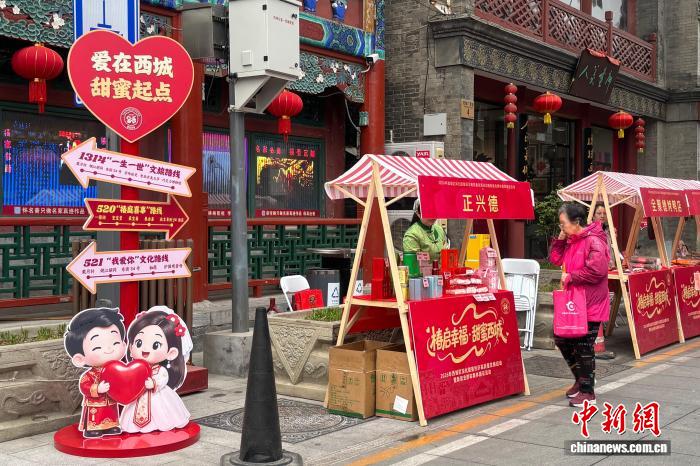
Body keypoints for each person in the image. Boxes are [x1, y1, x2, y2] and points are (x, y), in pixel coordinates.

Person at [549, 203, 610, 407]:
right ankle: (581, 379)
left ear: (576, 222)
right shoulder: (571, 240)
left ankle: (588, 392)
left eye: (563, 224)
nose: (562, 228)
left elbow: (597, 271)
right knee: (562, 339)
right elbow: (555, 259)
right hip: (575, 303)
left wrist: (571, 277)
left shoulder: (594, 240)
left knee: (584, 346)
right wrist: (560, 239)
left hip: (591, 302)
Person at [120, 306, 192, 433]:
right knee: (131, 411)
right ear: (131, 348)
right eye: (139, 343)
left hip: (157, 394)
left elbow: (162, 378)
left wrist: (153, 383)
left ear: (171, 353)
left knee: (161, 410)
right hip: (137, 395)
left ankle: (159, 424)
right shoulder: (134, 368)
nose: (145, 349)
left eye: (155, 345)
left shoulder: (160, 370)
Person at [64, 307, 127, 438]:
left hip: (111, 400)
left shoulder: (118, 369)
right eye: (98, 347)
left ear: (124, 345)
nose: (109, 349)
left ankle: (111, 426)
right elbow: (84, 385)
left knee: (111, 413)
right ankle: (93, 428)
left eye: (116, 343)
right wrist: (97, 388)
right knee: (96, 415)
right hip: (96, 402)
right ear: (80, 359)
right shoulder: (90, 375)